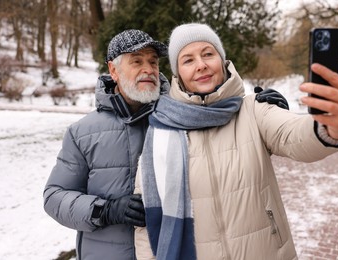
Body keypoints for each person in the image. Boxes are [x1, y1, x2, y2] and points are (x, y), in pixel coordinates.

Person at [43, 28, 289, 260]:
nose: (148, 69)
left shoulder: (186, 115)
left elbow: (221, 116)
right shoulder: (82, 133)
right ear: (113, 70)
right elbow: (54, 197)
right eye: (137, 61)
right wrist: (104, 210)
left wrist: (253, 107)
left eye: (153, 61)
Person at [134, 23, 338, 260]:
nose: (201, 65)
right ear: (178, 74)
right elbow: (147, 222)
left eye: (208, 54)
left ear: (222, 60)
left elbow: (295, 135)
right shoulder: (161, 132)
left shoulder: (253, 110)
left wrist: (331, 125)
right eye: (188, 60)